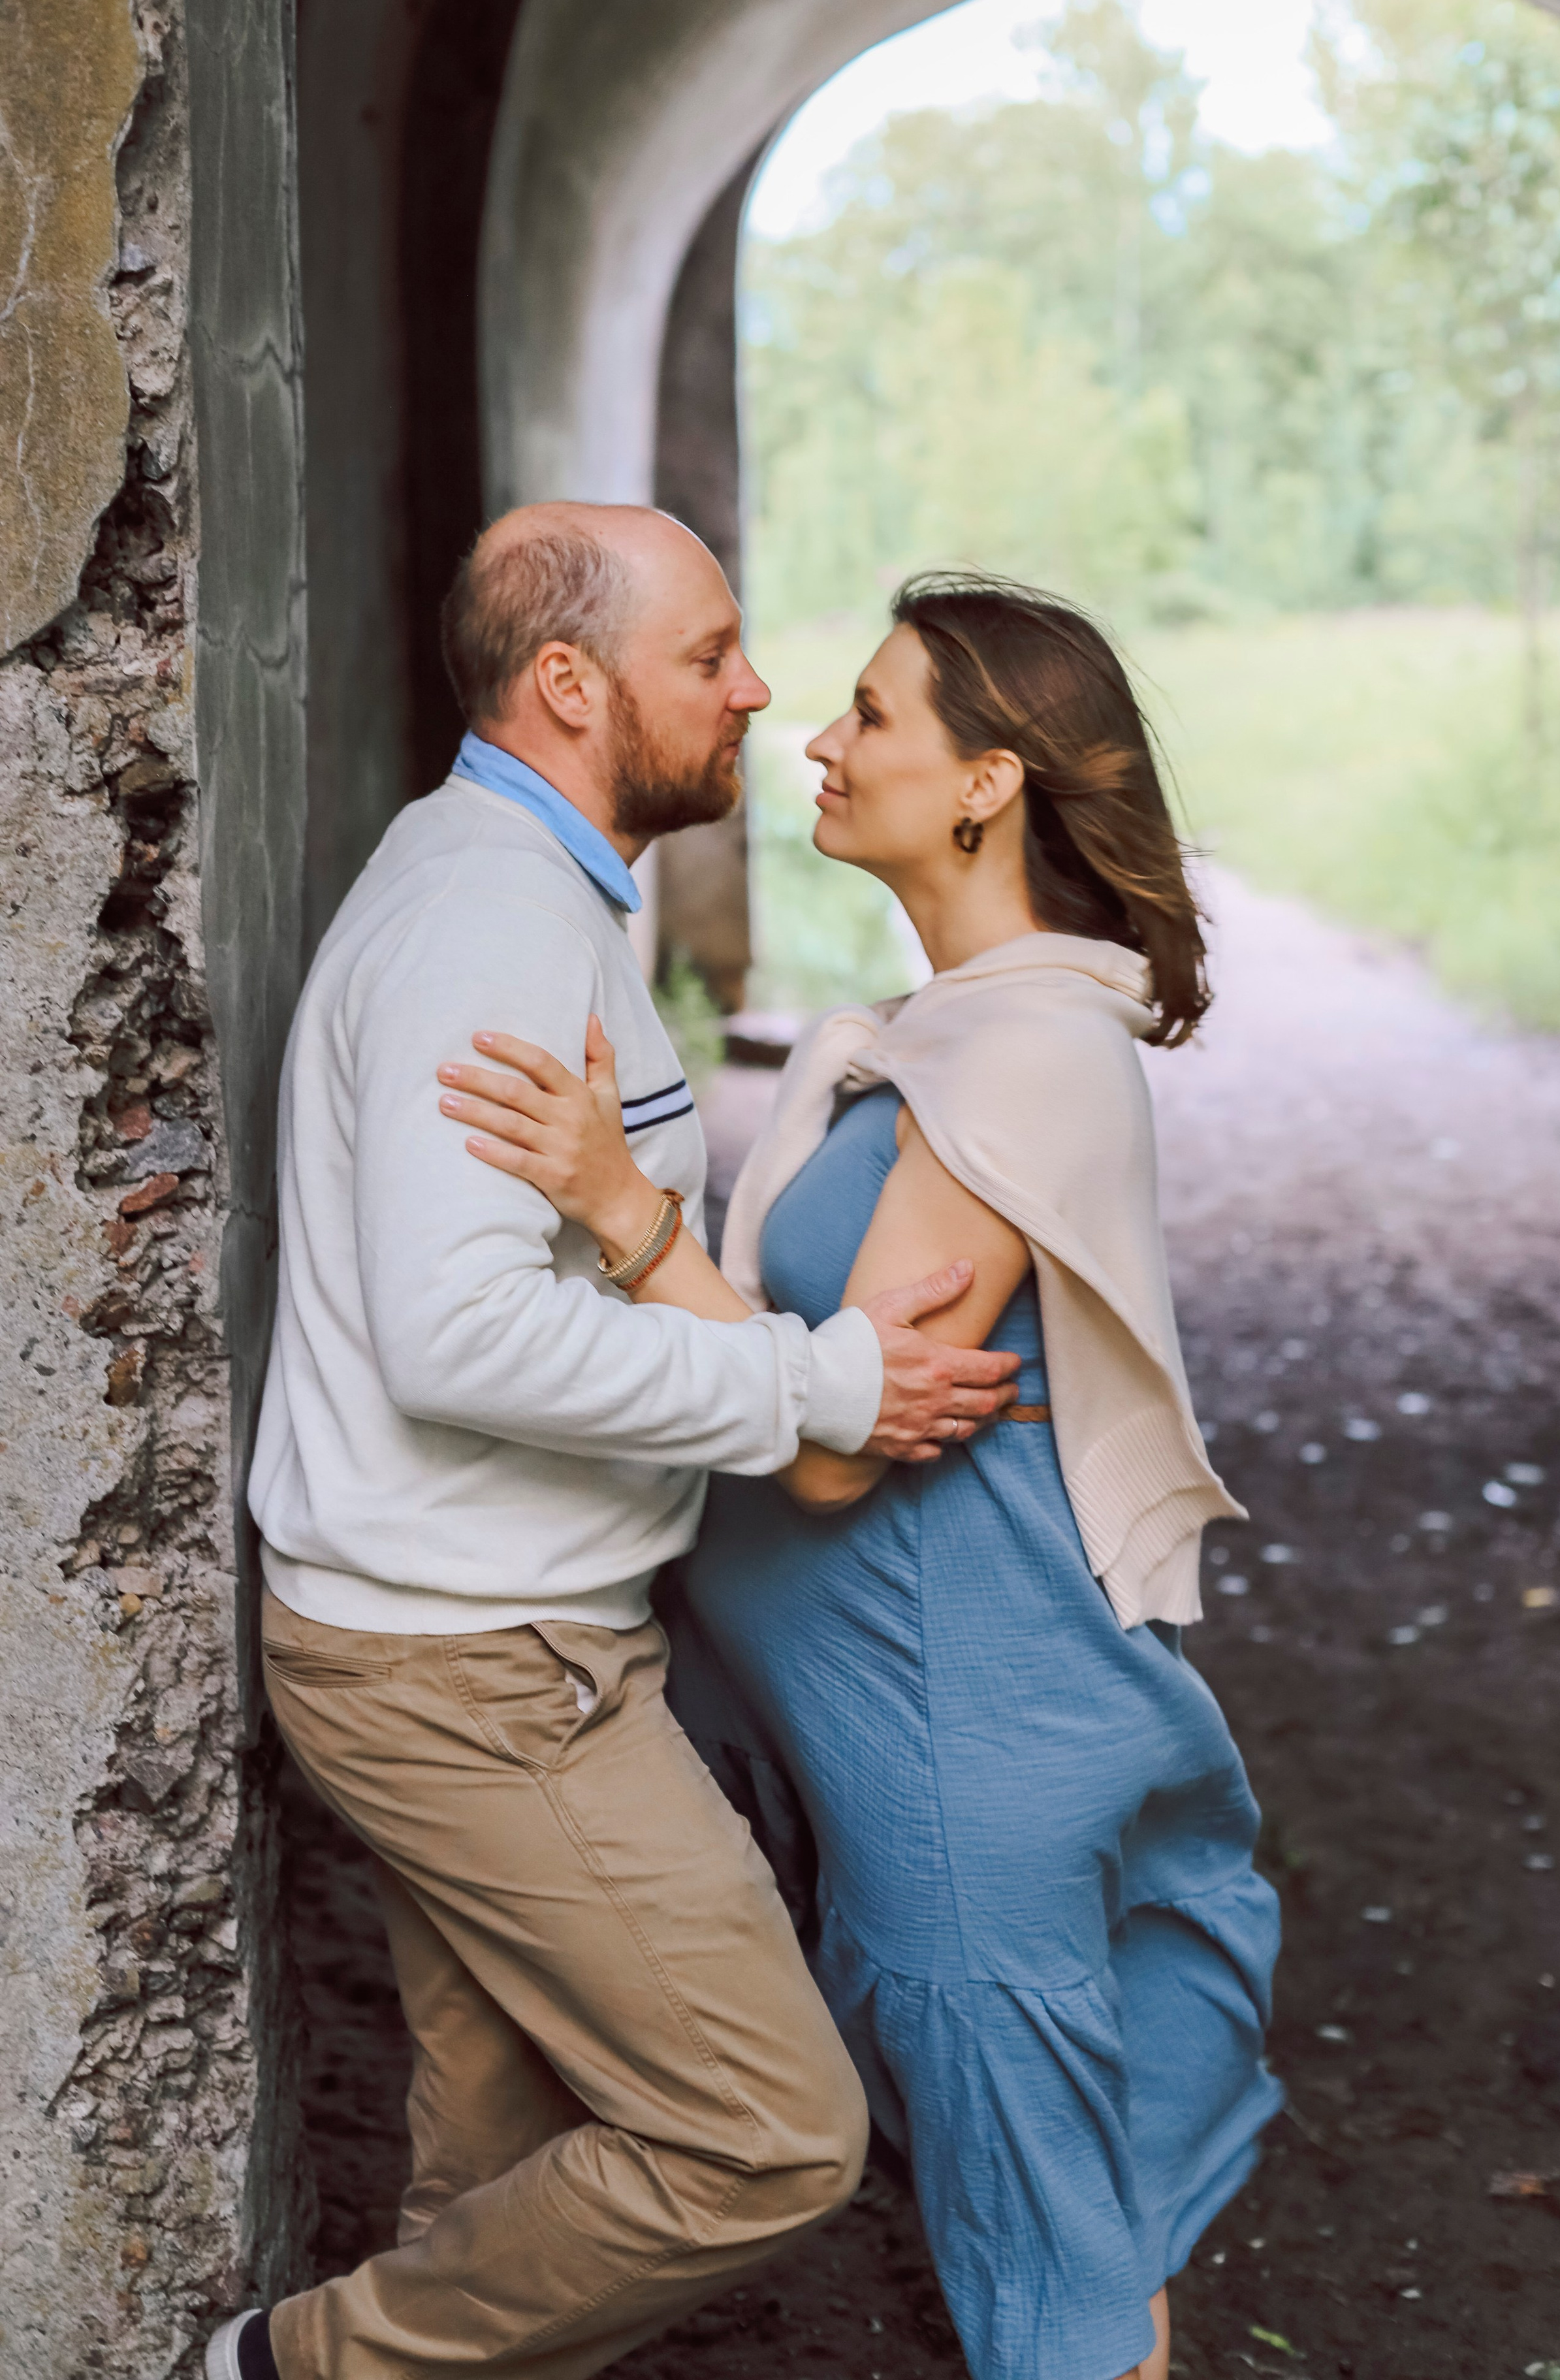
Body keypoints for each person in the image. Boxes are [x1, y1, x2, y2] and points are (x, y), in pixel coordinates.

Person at [207, 509, 1023, 2380]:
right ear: (570, 685)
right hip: (476, 1669)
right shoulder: (490, 921)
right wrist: (814, 1386)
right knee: (767, 2133)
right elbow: (462, 1334)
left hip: (474, 1630)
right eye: (710, 654)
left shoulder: (525, 885)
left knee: (502, 2168)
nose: (755, 690)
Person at [441, 573, 1284, 2380]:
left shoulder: (1027, 1060)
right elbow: (826, 1384)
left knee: (1050, 2291)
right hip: (910, 1733)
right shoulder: (961, 1031)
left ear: (988, 783)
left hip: (958, 1745)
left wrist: (619, 1211)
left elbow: (832, 1463)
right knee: (1071, 2234)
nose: (817, 739)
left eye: (873, 712)